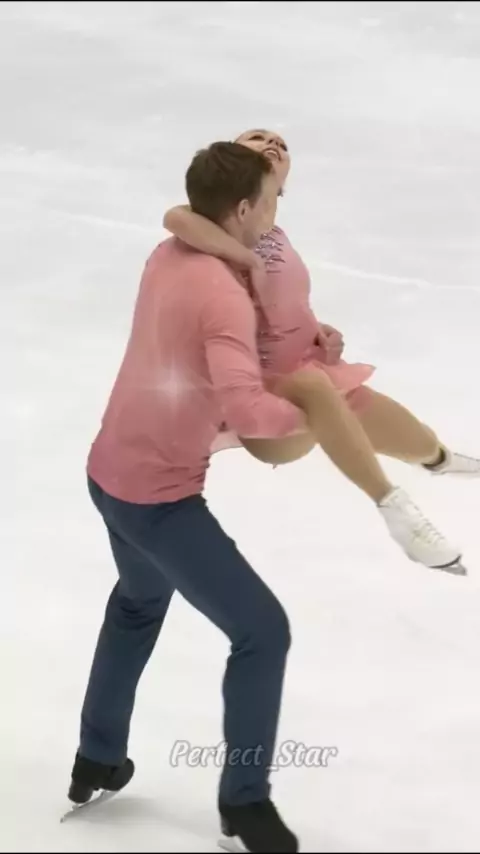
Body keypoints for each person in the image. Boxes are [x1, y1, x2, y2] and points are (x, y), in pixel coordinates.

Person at [67, 141, 309, 853]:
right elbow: (249, 410)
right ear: (244, 208)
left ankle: (97, 757)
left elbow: (188, 230)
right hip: (160, 501)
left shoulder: (166, 256)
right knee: (263, 632)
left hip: (107, 474)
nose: (276, 212)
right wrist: (324, 416)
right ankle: (245, 802)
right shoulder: (223, 296)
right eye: (271, 200)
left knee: (138, 603)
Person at [163, 127, 478, 573]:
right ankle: (398, 514)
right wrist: (245, 257)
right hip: (262, 400)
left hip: (314, 373)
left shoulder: (275, 233)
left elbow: (281, 305)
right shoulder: (217, 226)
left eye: (281, 144)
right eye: (257, 138)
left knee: (424, 444)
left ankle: (442, 462)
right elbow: (176, 217)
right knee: (310, 386)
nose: (273, 144)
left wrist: (317, 332)